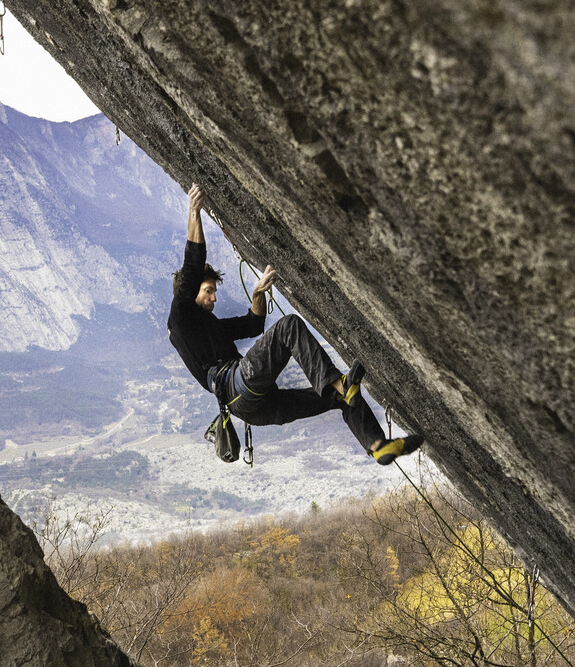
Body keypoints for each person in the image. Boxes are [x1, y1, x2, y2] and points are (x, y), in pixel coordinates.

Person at [167, 183, 423, 465]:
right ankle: (340, 385)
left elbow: (253, 325)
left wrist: (257, 295)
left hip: (253, 407)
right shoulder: (180, 317)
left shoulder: (208, 326)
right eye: (208, 291)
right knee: (290, 328)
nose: (214, 297)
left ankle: (377, 445)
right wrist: (194, 212)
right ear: (189, 293)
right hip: (238, 387)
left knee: (337, 398)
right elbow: (193, 264)